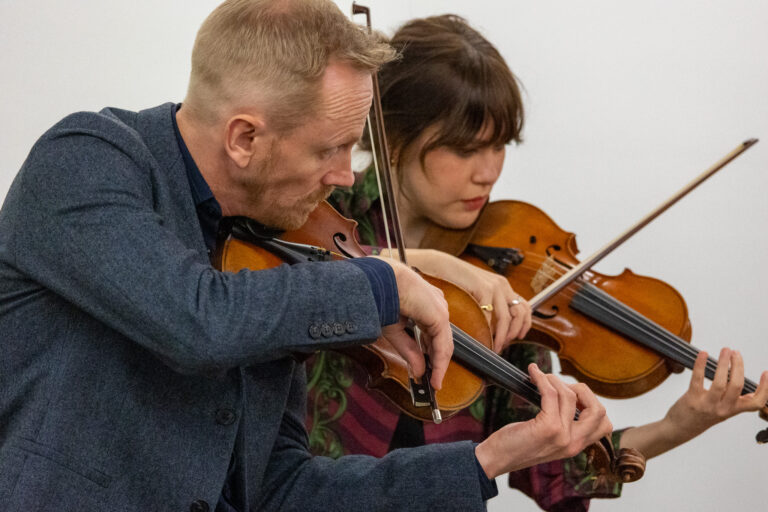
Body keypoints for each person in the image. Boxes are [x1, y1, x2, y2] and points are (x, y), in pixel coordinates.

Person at [0, 1, 618, 511]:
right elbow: (198, 323)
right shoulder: (87, 160)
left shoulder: (274, 253)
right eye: (331, 148)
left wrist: (489, 460)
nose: (346, 177)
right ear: (244, 138)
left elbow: (283, 490)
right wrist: (384, 283)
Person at [306, 14, 768, 511]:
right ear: (393, 139)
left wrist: (678, 426)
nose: (488, 172)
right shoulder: (319, 214)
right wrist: (439, 266)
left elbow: (554, 468)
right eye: (465, 149)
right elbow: (287, 281)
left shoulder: (503, 279)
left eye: (499, 144)